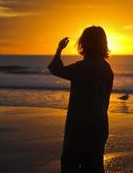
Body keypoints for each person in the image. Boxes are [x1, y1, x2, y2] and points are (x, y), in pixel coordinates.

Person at [48, 26, 113, 173]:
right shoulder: (106, 68)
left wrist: (59, 50)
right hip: (100, 123)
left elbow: (55, 69)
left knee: (70, 164)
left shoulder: (83, 67)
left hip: (80, 125)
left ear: (85, 43)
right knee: (95, 166)